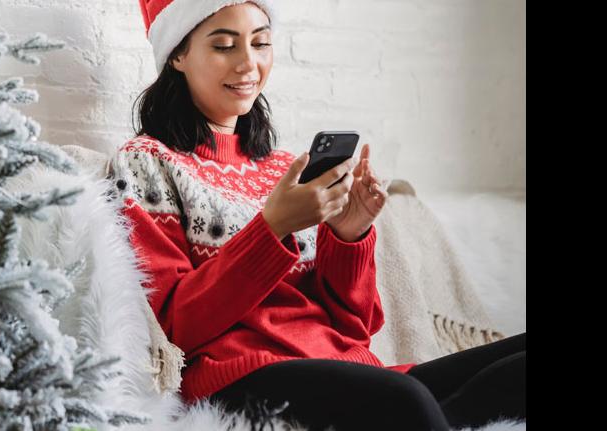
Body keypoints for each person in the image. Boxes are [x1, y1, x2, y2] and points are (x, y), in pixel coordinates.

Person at [107, 2, 526, 429]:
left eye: (260, 43)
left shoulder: (283, 168)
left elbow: (351, 328)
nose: (248, 63)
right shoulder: (147, 163)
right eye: (224, 46)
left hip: (347, 369)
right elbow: (175, 327)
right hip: (241, 375)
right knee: (408, 399)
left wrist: (349, 236)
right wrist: (273, 228)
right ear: (178, 54)